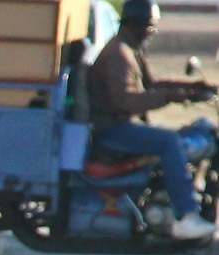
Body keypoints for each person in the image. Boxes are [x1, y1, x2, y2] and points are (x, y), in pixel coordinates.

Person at [87, 0, 218, 240]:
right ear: (135, 24)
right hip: (112, 129)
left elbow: (152, 84)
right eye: (150, 27)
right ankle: (185, 216)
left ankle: (191, 203)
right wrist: (170, 97)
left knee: (197, 130)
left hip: (121, 125)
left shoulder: (130, 50)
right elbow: (125, 100)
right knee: (169, 141)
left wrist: (193, 89)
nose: (151, 33)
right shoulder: (119, 53)